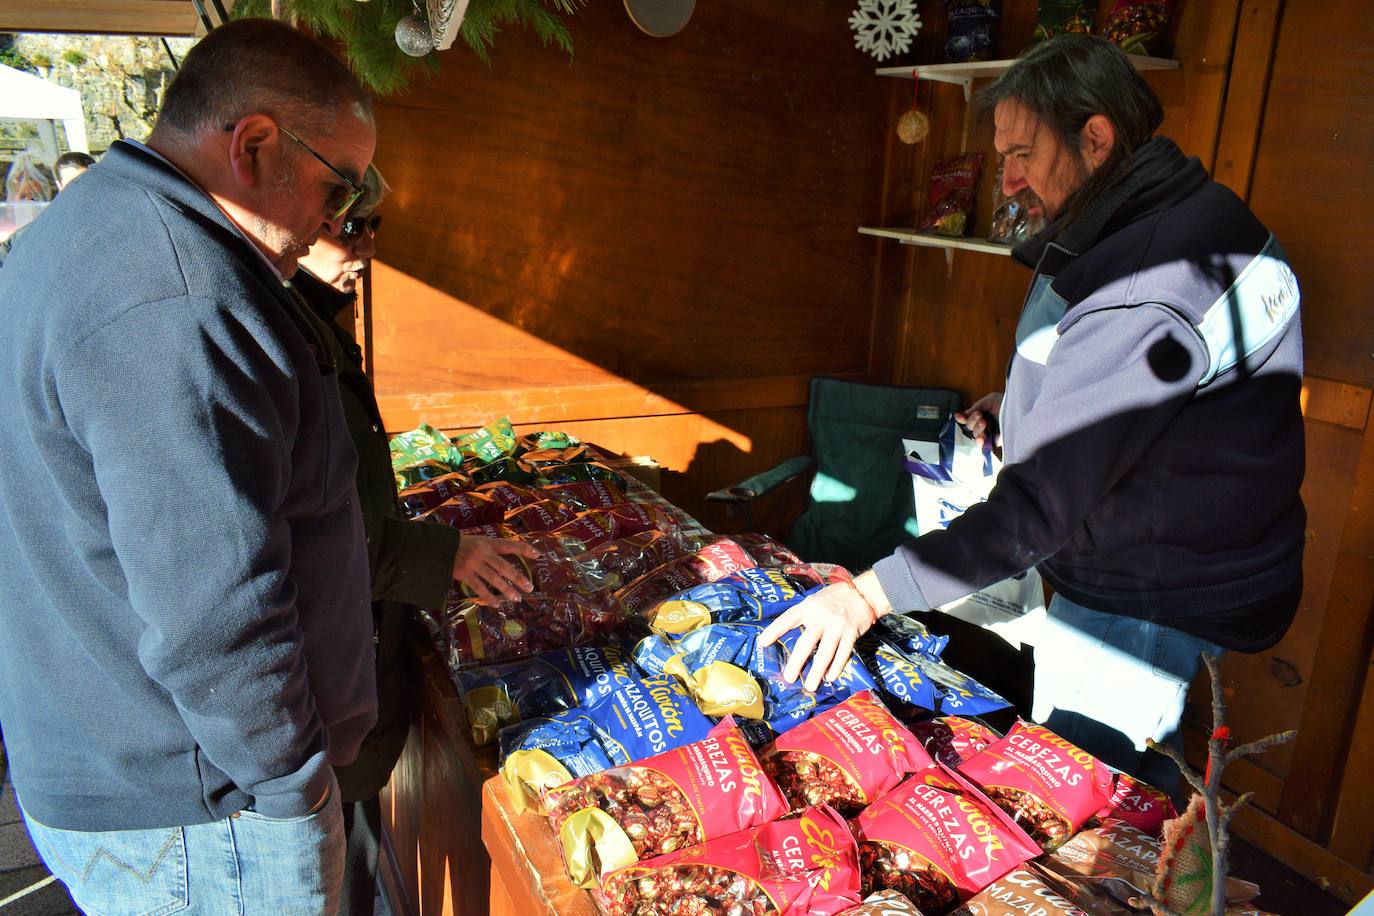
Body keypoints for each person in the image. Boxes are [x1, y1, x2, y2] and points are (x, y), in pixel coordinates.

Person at [761, 34, 1305, 795]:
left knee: (1091, 809)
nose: (1007, 180)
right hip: (1195, 554)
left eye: (1022, 153)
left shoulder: (1148, 283)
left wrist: (866, 595)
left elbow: (1038, 507)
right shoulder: (1173, 208)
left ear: (1096, 136)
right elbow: (1133, 394)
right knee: (1147, 798)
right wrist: (1021, 407)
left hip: (1146, 593)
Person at [0, 19, 384, 914]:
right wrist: (295, 787)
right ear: (254, 144)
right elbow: (216, 615)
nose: (341, 217)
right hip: (201, 811)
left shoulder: (89, 225)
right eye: (342, 181)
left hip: (123, 759)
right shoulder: (176, 295)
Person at [292, 166, 538, 915]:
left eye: (373, 228)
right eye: (346, 227)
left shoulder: (313, 321)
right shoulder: (280, 341)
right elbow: (314, 539)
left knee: (351, 862)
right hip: (312, 707)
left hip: (344, 700)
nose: (364, 245)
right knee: (327, 880)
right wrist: (447, 555)